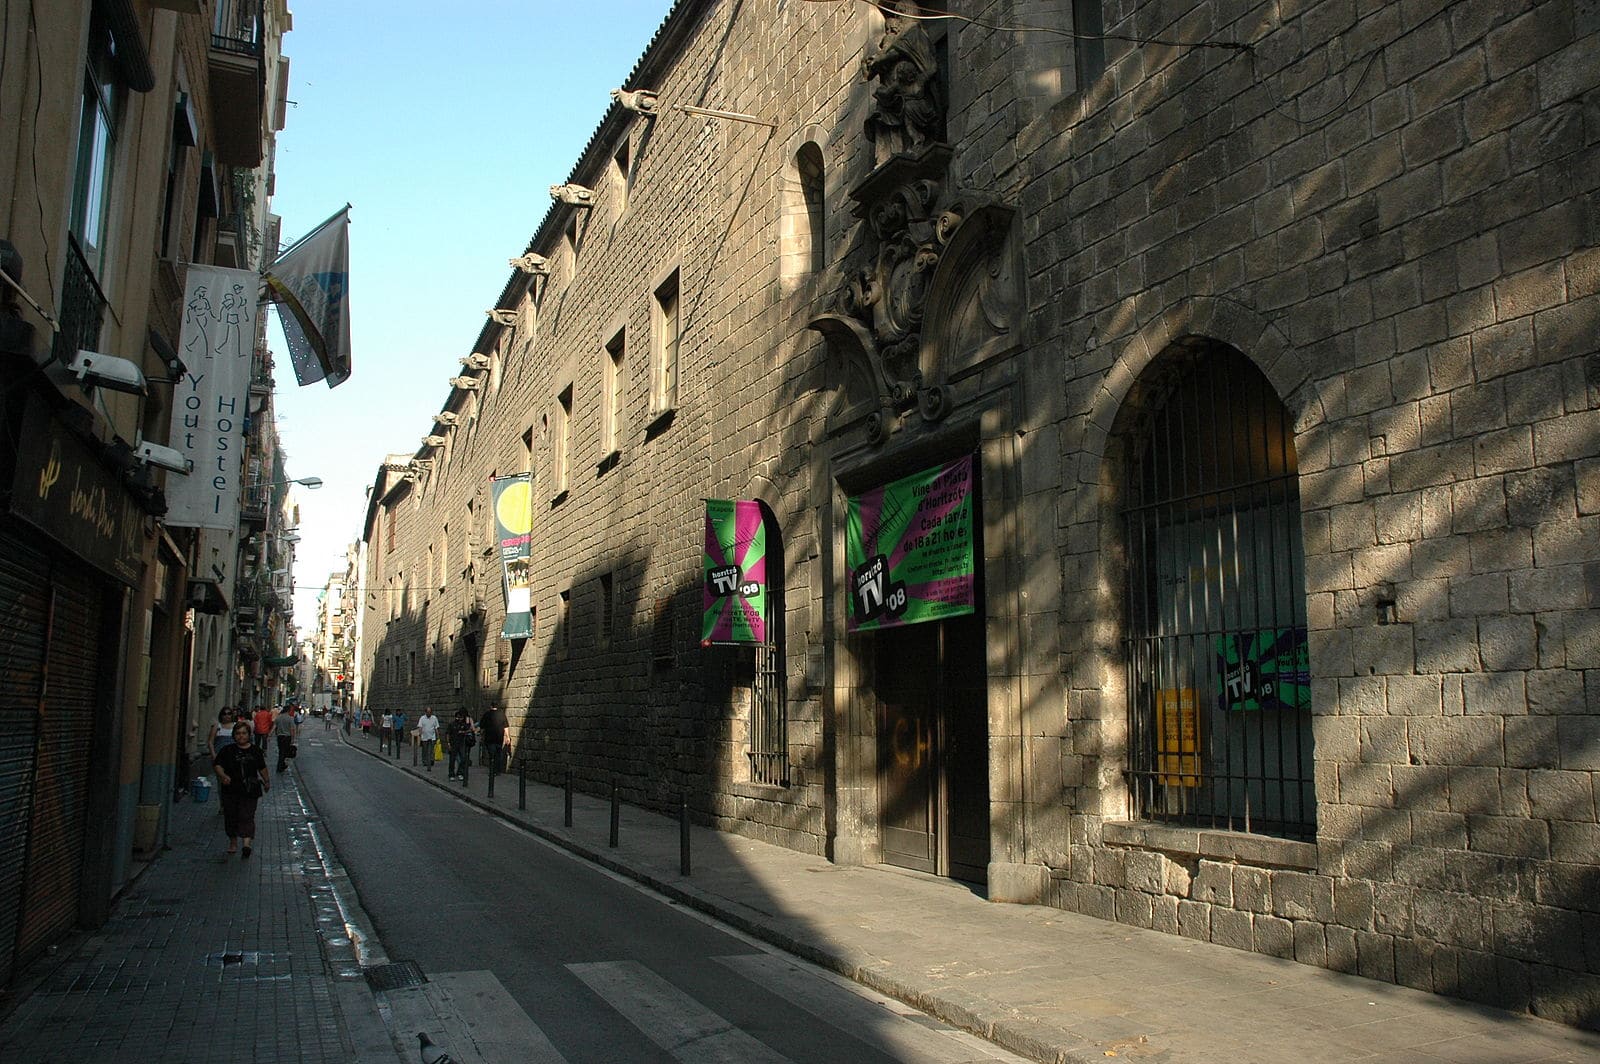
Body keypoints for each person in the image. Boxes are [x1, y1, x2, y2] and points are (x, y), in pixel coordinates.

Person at [213, 722, 269, 858]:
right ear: (234, 736)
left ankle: (246, 844)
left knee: (247, 815)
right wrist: (223, 775)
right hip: (231, 789)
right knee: (231, 816)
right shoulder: (227, 750)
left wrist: (267, 781)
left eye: (244, 733)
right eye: (238, 734)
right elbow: (218, 764)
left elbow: (262, 767)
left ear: (249, 735)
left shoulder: (255, 750)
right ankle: (233, 842)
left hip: (250, 789)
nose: (241, 736)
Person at [447, 709, 476, 784]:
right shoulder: (452, 724)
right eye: (458, 717)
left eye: (461, 717)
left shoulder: (463, 724)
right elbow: (448, 734)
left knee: (463, 758)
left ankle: (460, 772)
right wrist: (448, 743)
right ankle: (451, 774)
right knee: (452, 759)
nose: (459, 719)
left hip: (462, 743)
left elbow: (470, 730)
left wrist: (463, 732)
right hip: (453, 743)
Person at [478, 705, 508, 774]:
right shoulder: (502, 714)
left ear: (491, 706)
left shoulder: (487, 714)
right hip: (499, 738)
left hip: (489, 738)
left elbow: (482, 727)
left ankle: (492, 770)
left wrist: (481, 735)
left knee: (492, 755)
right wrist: (507, 736)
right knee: (498, 754)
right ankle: (497, 770)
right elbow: (506, 726)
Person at [273, 703, 298, 773]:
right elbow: (292, 730)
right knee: (284, 753)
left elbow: (274, 726)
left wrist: (269, 735)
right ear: (288, 711)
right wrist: (293, 739)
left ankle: (281, 765)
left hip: (280, 737)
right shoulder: (290, 718)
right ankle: (280, 767)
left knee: (281, 751)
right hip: (287, 737)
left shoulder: (279, 717)